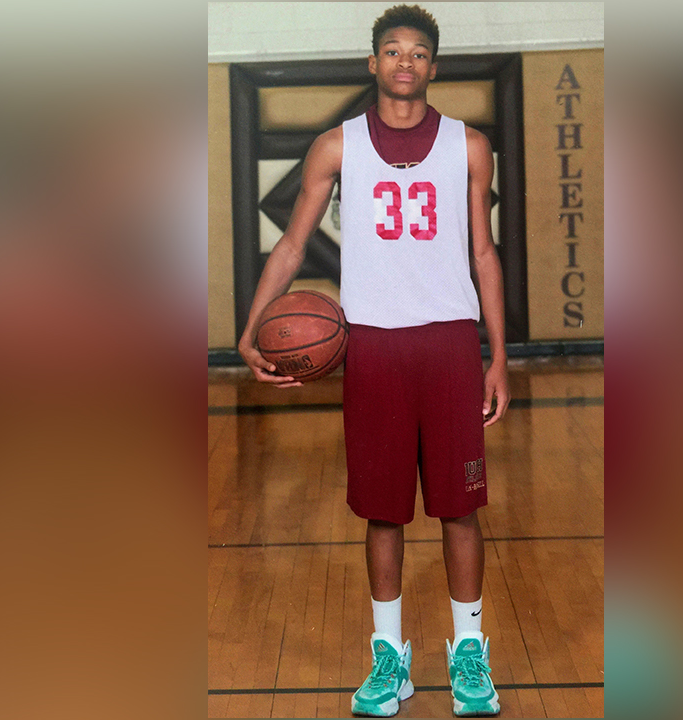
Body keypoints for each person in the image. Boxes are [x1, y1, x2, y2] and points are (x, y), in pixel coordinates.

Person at [236, 5, 509, 716]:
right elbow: (293, 246)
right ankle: (390, 657)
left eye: (418, 52)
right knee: (382, 512)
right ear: (373, 63)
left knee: (459, 508)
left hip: (449, 342)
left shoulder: (468, 146)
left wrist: (499, 355)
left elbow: (484, 252)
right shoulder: (336, 146)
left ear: (433, 67)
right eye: (393, 51)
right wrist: (253, 326)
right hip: (375, 346)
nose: (405, 62)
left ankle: (468, 652)